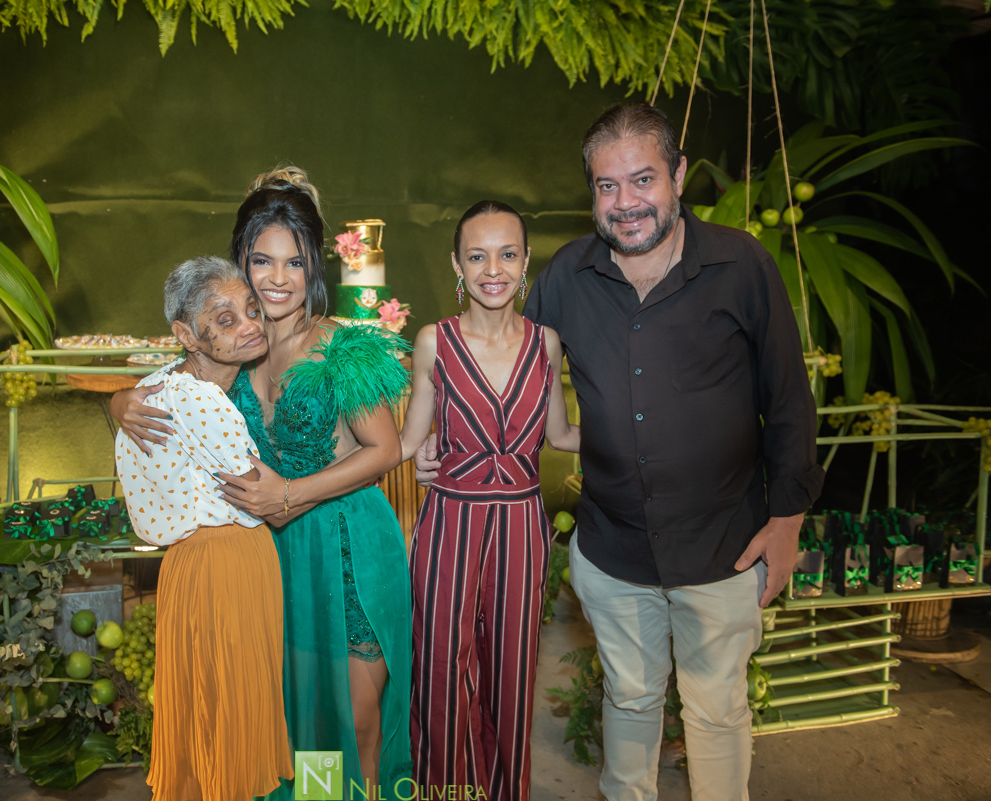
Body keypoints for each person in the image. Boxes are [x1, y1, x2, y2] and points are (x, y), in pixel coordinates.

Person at [416, 104, 824, 801]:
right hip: (613, 551)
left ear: (679, 176)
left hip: (723, 544)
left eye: (643, 180)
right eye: (607, 186)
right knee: (629, 703)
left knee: (718, 712)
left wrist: (786, 524)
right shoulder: (567, 279)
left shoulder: (741, 265)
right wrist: (435, 433)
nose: (626, 202)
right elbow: (501, 355)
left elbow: (789, 401)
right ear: (591, 194)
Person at [112, 167, 413, 796]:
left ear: (314, 270)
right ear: (239, 266)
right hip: (271, 558)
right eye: (261, 261)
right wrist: (116, 403)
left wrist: (291, 494)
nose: (278, 279)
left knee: (353, 719)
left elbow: (385, 450)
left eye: (294, 263)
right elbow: (161, 389)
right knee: (295, 725)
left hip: (346, 545)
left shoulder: (341, 349)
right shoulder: (228, 354)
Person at [397, 201, 578, 800]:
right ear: (457, 263)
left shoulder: (546, 345)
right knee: (440, 671)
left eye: (507, 254)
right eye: (477, 255)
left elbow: (561, 436)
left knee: (512, 674)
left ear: (527, 261)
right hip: (448, 522)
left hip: (523, 527)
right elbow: (405, 443)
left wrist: (647, 427)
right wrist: (415, 454)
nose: (492, 269)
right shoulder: (433, 342)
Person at [115, 256, 293, 801]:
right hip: (229, 566)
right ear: (186, 335)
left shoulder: (152, 387)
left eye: (249, 309)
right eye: (224, 319)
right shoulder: (205, 401)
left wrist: (113, 400)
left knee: (203, 712)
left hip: (187, 568)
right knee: (230, 714)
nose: (248, 325)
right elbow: (271, 502)